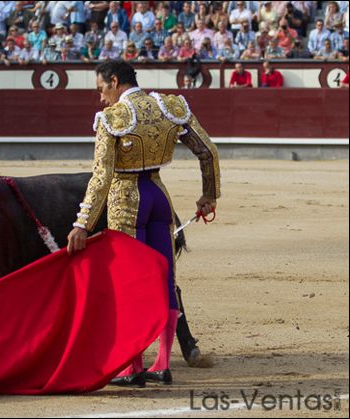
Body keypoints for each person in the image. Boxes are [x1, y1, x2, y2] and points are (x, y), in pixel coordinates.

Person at [67, 60, 220, 387]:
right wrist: (209, 195)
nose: (101, 98)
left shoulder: (113, 118)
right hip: (159, 196)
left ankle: (132, 365)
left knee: (130, 282)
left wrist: (82, 223)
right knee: (164, 278)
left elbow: (102, 176)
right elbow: (207, 151)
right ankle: (163, 364)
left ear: (113, 81)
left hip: (126, 200)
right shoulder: (170, 105)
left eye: (101, 89)